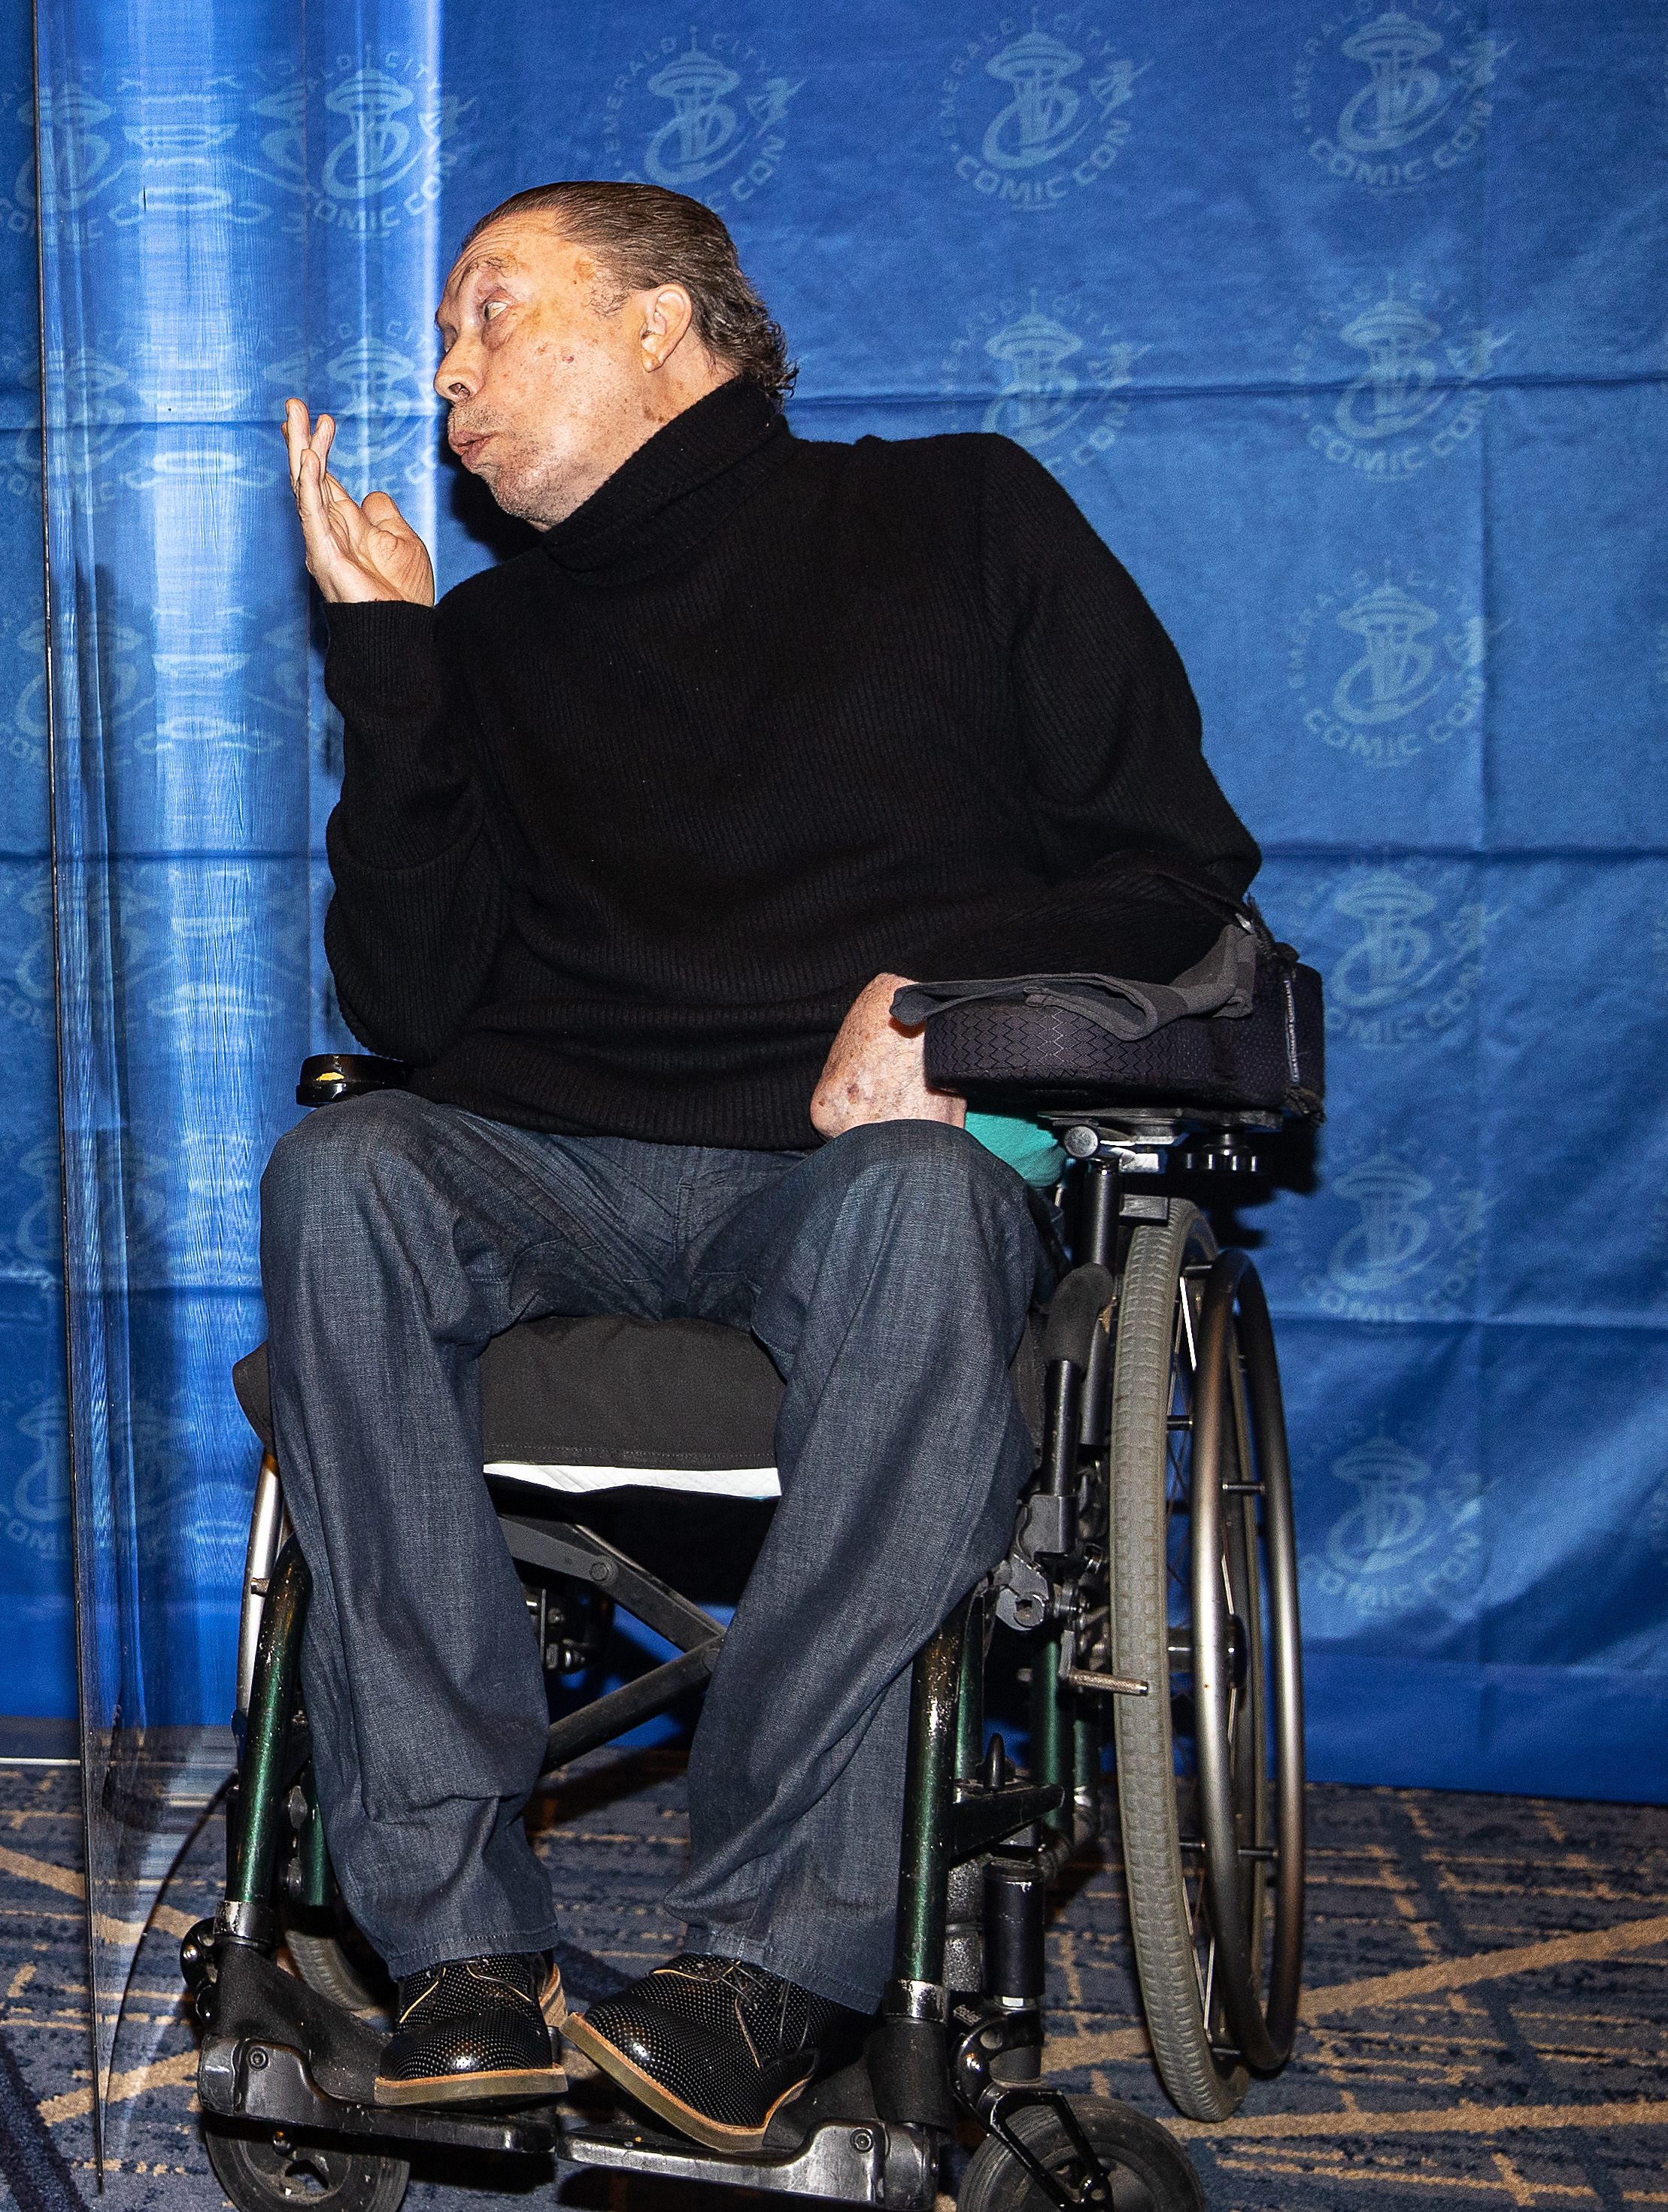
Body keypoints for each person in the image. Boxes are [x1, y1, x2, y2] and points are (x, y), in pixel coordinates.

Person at [265, 180, 1257, 2148]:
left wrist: (952, 989)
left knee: (919, 1199)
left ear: (660, 324)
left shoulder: (958, 517)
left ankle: (767, 1961)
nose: (446, 373)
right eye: (438, 344)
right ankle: (461, 1946)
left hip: (842, 1180)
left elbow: (1174, 868)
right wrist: (390, 676)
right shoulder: (482, 638)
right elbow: (410, 994)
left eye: (493, 314)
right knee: (345, 1168)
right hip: (548, 1159)